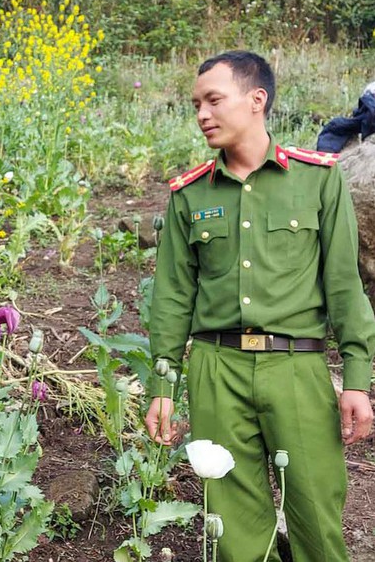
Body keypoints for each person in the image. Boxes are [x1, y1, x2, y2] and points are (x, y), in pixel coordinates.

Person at [145, 51, 375, 562]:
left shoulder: (318, 180)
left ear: (257, 100)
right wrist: (163, 386)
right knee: (234, 532)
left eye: (213, 100)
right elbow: (173, 297)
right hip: (216, 369)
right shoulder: (188, 196)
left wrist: (357, 379)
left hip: (296, 369)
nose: (202, 114)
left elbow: (343, 287)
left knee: (316, 517)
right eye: (195, 104)